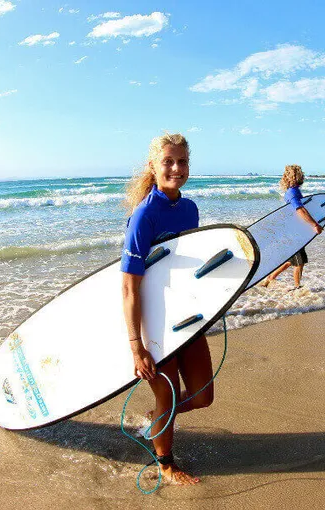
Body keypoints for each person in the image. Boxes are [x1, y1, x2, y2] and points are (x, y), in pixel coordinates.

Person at [121, 133, 209, 486]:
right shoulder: (143, 216)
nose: (176, 168)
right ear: (153, 166)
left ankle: (157, 417)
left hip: (186, 316)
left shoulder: (189, 209)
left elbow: (189, 268)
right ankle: (166, 465)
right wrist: (135, 345)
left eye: (182, 161)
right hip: (155, 322)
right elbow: (129, 286)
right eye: (169, 161)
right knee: (168, 394)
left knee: (203, 395)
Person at [261, 165, 323, 290]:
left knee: (292, 260)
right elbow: (300, 210)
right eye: (301, 174)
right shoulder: (293, 192)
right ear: (296, 176)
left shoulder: (292, 191)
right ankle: (297, 287)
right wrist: (314, 224)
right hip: (292, 234)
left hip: (293, 231)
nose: (303, 176)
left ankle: (271, 278)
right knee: (299, 262)